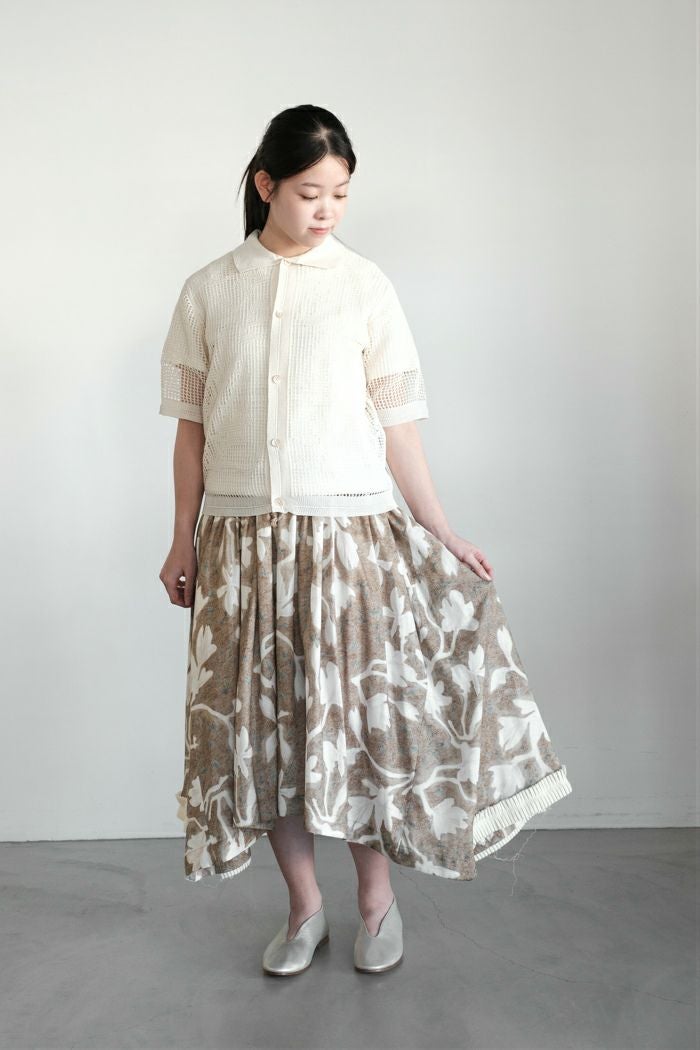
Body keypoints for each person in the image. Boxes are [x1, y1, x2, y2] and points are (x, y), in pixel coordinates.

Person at [158, 104, 573, 977]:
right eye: (310, 191)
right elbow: (191, 433)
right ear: (266, 184)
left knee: (354, 731)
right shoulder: (209, 290)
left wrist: (441, 528)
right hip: (240, 546)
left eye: (341, 194)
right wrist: (181, 540)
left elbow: (398, 429)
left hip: (349, 547)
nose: (327, 209)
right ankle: (305, 908)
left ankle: (377, 905)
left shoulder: (365, 286)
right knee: (266, 738)